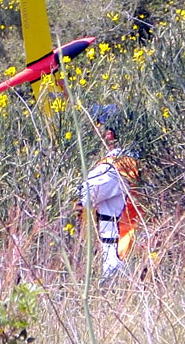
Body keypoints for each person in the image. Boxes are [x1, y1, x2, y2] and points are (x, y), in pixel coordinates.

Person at [76, 104, 142, 282]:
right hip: (140, 252)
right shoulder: (137, 160)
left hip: (121, 258)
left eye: (98, 125)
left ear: (109, 134)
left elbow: (81, 198)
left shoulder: (113, 168)